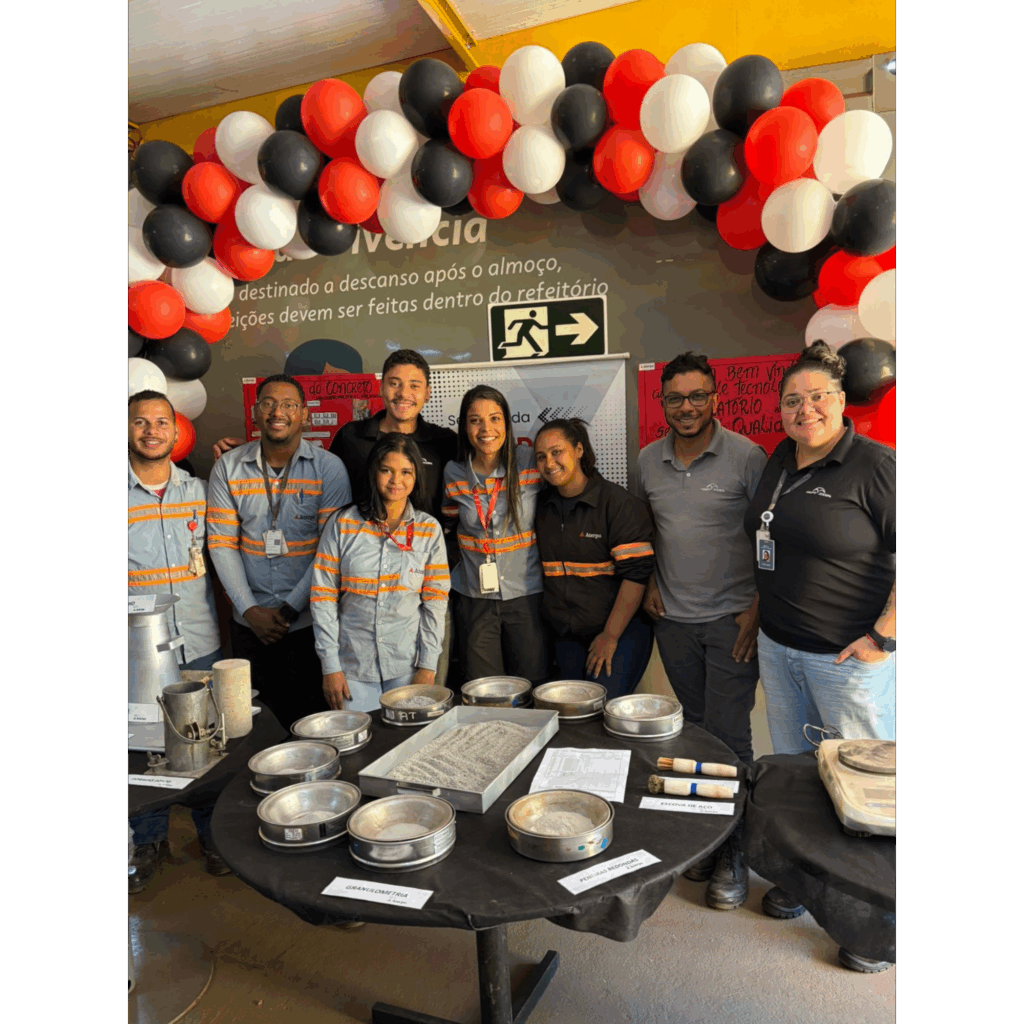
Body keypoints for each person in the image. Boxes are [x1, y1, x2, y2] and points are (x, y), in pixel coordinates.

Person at [743, 341, 895, 943]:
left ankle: (873, 918)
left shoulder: (876, 465)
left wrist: (882, 638)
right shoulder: (780, 460)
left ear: (841, 401)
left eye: (817, 397)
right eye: (792, 400)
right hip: (780, 649)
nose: (804, 409)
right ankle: (808, 880)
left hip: (845, 659)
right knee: (798, 778)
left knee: (865, 789)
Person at [636, 352, 767, 911]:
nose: (686, 407)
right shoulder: (647, 461)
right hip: (674, 621)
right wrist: (649, 583)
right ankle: (706, 839)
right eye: (675, 398)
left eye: (696, 396)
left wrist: (758, 607)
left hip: (732, 619)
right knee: (693, 731)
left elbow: (771, 537)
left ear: (715, 397)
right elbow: (645, 532)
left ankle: (735, 849)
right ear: (662, 402)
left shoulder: (747, 457)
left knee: (730, 735)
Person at [206, 374, 351, 731]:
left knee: (314, 727)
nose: (277, 412)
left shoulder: (329, 468)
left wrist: (288, 610)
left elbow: (330, 552)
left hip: (308, 625)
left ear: (304, 414)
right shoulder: (228, 467)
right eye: (268, 403)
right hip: (249, 626)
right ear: (255, 412)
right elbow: (221, 543)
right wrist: (249, 609)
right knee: (254, 730)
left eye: (289, 405)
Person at [128, 390, 229, 892]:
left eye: (161, 422)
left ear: (176, 430)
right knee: (145, 747)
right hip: (140, 650)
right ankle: (148, 839)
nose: (151, 431)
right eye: (140, 422)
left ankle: (212, 835)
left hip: (198, 636)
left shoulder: (200, 491)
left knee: (204, 740)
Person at [312, 435, 449, 711]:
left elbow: (435, 604)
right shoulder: (342, 524)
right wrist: (330, 666)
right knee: (360, 738)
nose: (396, 480)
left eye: (406, 472)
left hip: (408, 665)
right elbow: (322, 597)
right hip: (352, 667)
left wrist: (427, 666)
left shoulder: (429, 530)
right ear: (374, 471)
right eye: (387, 470)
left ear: (416, 476)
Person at [534, 419, 655, 698]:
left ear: (579, 450)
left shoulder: (617, 503)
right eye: (541, 456)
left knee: (603, 704)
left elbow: (636, 575)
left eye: (557, 452)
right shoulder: (540, 506)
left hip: (619, 630)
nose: (549, 463)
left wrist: (610, 636)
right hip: (566, 635)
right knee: (572, 711)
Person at [442, 385, 546, 685]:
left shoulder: (530, 461)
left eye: (495, 418)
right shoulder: (453, 472)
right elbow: (449, 525)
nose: (486, 429)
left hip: (526, 595)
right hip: (474, 598)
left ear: (507, 423)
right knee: (484, 689)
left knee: (532, 685)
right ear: (465, 427)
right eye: (475, 420)